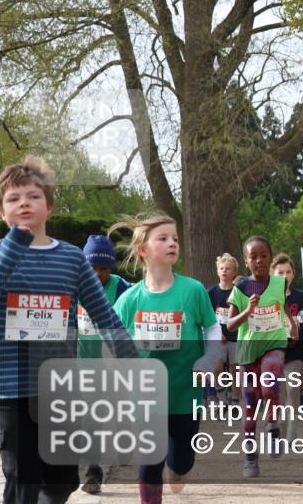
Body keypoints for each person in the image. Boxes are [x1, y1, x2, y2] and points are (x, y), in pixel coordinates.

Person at [0, 156, 135, 504]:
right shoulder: (0, 255)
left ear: (50, 206)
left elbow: (104, 314)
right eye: (13, 199)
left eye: (33, 196)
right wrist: (14, 246)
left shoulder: (72, 259)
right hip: (9, 389)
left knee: (61, 479)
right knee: (22, 476)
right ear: (2, 212)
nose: (24, 203)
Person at [111, 213, 223, 504]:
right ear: (143, 251)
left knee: (182, 460)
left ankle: (178, 470)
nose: (172, 242)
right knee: (150, 462)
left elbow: (212, 326)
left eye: (174, 238)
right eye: (163, 238)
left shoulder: (193, 290)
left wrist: (210, 358)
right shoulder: (129, 300)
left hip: (186, 391)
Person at [226, 235, 296, 477]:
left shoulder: (278, 284)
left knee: (271, 380)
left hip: (274, 343)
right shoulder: (241, 288)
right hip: (248, 352)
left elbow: (282, 304)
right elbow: (230, 325)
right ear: (246, 261)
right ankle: (250, 458)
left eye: (263, 255)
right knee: (249, 413)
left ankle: (273, 425)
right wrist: (248, 310)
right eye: (253, 257)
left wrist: (292, 324)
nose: (259, 260)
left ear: (270, 257)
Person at [77, 234, 132, 494]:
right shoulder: (71, 285)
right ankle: (93, 471)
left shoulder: (122, 289)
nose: (98, 274)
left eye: (104, 269)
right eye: (92, 268)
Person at [272, 253, 303, 444]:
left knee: (293, 390)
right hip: (273, 351)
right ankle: (281, 425)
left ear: (293, 274)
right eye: (280, 272)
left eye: (287, 272)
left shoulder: (300, 296)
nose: (284, 275)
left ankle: (292, 433)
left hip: (295, 350)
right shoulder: (266, 296)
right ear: (273, 274)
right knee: (278, 393)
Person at [208, 253, 240, 407]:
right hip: (217, 336)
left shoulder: (239, 292)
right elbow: (207, 315)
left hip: (236, 335)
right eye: (222, 268)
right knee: (216, 367)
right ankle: (221, 398)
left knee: (236, 369)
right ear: (217, 271)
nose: (224, 271)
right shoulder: (211, 293)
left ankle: (234, 401)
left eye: (228, 269)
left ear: (234, 272)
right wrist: (217, 332)